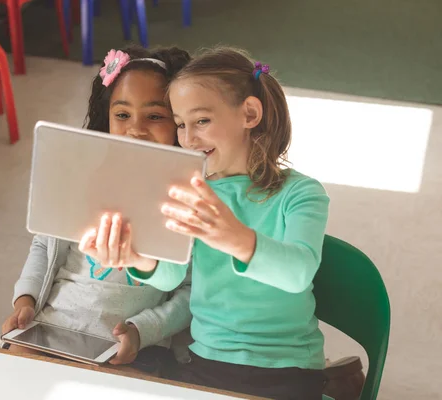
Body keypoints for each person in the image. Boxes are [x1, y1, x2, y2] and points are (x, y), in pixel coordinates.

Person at [79, 47, 329, 399]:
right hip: (206, 359)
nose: (188, 139)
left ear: (250, 113)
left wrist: (234, 238)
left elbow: (298, 273)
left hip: (287, 367)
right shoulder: (189, 191)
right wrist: (137, 258)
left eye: (201, 121)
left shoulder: (301, 193)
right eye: (180, 124)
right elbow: (170, 275)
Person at [1, 45, 193, 371]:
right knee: (13, 376)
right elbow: (43, 245)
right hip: (51, 327)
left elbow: (191, 292)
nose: (136, 128)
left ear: (180, 122)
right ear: (107, 116)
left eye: (155, 116)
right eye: (122, 115)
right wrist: (26, 300)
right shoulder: (83, 179)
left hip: (134, 345)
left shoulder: (188, 199)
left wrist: (141, 331)